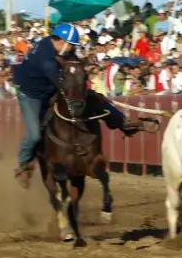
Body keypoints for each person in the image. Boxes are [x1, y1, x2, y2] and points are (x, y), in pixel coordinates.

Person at [11, 23, 146, 188]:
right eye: (71, 45)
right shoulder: (47, 61)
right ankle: (23, 165)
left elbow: (73, 71)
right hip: (31, 95)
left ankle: (121, 122)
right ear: (62, 42)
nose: (73, 49)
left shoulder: (60, 47)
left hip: (49, 87)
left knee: (96, 99)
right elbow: (65, 86)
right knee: (34, 135)